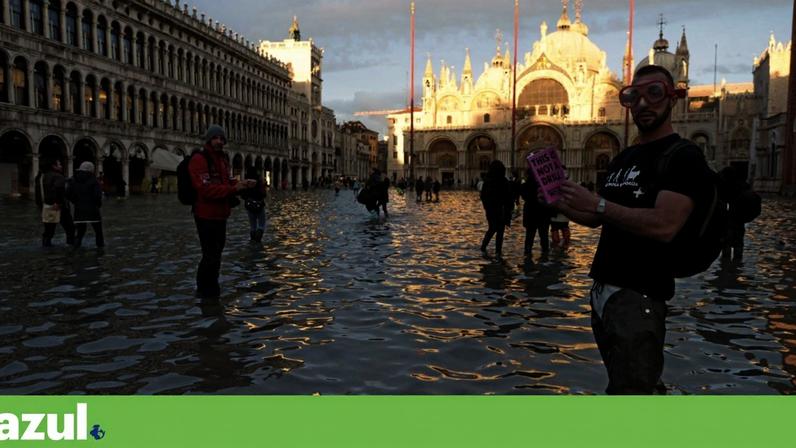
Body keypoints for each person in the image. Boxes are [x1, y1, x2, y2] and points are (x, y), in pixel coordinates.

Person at [552, 65, 708, 394]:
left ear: (672, 97)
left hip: (640, 294)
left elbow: (665, 225)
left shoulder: (683, 156)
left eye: (654, 93)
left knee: (633, 393)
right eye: (632, 95)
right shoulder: (625, 157)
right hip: (603, 292)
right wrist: (561, 202)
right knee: (623, 384)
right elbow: (599, 220)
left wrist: (597, 204)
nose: (642, 103)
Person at [190, 125, 256, 315]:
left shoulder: (222, 159)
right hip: (205, 215)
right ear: (209, 140)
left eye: (221, 138)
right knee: (209, 255)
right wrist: (234, 189)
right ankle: (205, 293)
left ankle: (212, 292)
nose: (219, 141)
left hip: (221, 215)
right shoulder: (199, 159)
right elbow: (205, 189)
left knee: (217, 254)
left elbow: (224, 182)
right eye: (215, 138)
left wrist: (240, 184)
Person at [35, 158, 75, 247]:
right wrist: (58, 202)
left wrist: (41, 205)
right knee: (70, 229)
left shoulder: (40, 177)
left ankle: (46, 247)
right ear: (54, 166)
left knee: (48, 231)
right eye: (59, 164)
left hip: (46, 207)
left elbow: (38, 194)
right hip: (59, 207)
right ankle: (71, 246)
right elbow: (59, 189)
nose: (61, 166)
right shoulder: (58, 176)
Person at [479, 160, 514, 258]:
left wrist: (487, 207)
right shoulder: (504, 181)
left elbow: (483, 196)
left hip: (491, 210)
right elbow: (509, 197)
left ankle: (483, 247)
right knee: (500, 231)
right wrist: (510, 208)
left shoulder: (487, 182)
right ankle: (498, 251)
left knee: (491, 228)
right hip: (501, 210)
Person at [67, 161, 104, 248]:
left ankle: (75, 248)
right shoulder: (94, 180)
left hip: (79, 209)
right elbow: (98, 196)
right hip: (93, 209)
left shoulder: (73, 179)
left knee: (80, 232)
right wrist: (98, 205)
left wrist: (76, 202)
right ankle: (100, 249)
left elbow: (68, 194)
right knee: (98, 231)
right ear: (91, 170)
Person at [519, 170, 550, 256]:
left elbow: (524, 197)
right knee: (544, 237)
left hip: (530, 215)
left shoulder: (524, 186)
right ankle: (545, 255)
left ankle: (527, 254)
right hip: (543, 214)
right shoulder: (545, 185)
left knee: (529, 237)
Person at [241, 168, 266, 242]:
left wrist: (248, 198)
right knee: (261, 224)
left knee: (252, 226)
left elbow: (243, 195)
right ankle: (258, 240)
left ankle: (252, 240)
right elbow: (263, 194)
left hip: (250, 207)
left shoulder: (246, 182)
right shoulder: (259, 182)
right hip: (259, 206)